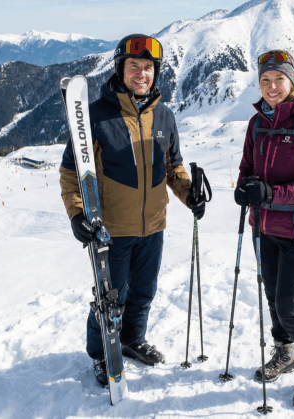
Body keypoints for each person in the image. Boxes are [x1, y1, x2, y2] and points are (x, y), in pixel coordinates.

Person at [59, 34, 207, 388]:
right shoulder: (95, 116)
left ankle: (131, 339)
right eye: (134, 67)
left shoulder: (165, 116)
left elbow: (174, 168)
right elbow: (71, 174)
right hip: (112, 228)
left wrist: (190, 196)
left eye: (148, 68)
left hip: (153, 226)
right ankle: (101, 354)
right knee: (111, 297)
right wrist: (77, 214)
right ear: (120, 70)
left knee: (144, 291)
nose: (141, 74)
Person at [234, 50, 294, 409]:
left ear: (293, 81)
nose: (272, 87)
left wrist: (272, 194)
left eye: (279, 79)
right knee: (272, 297)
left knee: (289, 305)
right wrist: (244, 188)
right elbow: (247, 165)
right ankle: (285, 353)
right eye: (265, 80)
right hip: (262, 226)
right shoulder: (257, 122)